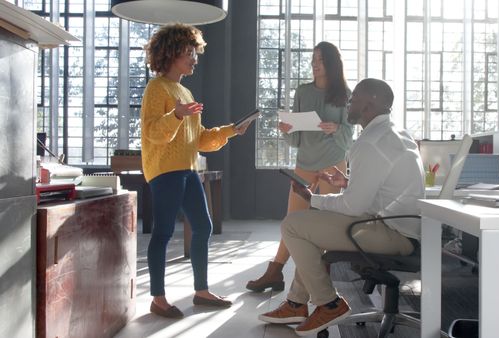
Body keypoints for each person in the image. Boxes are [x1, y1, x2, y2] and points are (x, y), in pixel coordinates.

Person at [258, 78, 425, 336]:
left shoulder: (369, 143)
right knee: (313, 226)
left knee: (293, 225)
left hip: (391, 233)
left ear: (371, 103)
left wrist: (311, 197)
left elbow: (352, 206)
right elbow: (384, 187)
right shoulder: (394, 132)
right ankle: (296, 303)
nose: (349, 103)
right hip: (399, 227)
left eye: (354, 98)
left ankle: (329, 304)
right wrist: (348, 181)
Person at [141, 23, 251, 318]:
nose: (195, 58)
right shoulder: (157, 88)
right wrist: (175, 115)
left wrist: (231, 130)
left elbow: (199, 138)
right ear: (172, 52)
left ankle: (201, 291)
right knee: (163, 233)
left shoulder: (185, 92)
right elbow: (153, 132)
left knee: (203, 227)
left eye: (195, 52)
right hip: (165, 171)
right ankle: (158, 298)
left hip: (189, 170)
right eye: (189, 52)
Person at [246, 41, 354, 292]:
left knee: (327, 222)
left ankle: (320, 277)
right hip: (304, 163)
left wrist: (337, 128)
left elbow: (349, 137)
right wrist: (287, 130)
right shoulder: (303, 92)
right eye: (313, 60)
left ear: (332, 64)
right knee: (292, 220)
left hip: (333, 165)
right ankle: (275, 271)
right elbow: (295, 140)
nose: (315, 64)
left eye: (320, 60)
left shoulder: (345, 94)